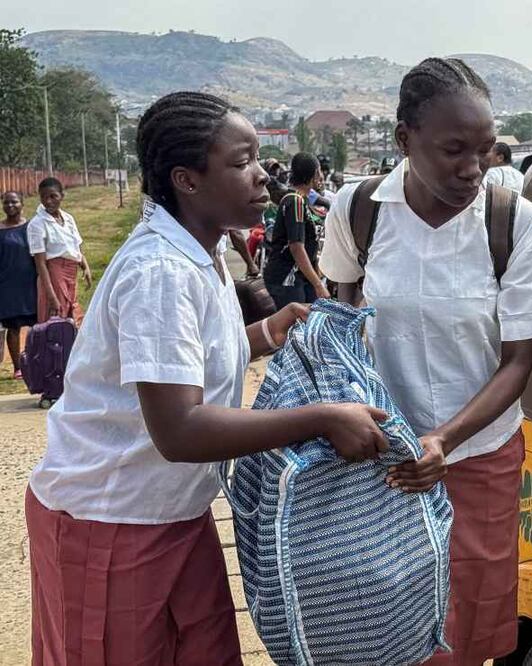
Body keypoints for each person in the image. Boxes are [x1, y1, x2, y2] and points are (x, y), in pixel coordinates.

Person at [24, 91, 389, 665]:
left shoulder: (204, 252)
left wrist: (268, 333)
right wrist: (320, 419)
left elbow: (186, 366)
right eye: (241, 163)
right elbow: (180, 428)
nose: (262, 178)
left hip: (176, 515)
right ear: (187, 181)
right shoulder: (162, 272)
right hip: (111, 521)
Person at [321, 58, 532, 665]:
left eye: (485, 150)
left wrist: (443, 440)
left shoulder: (515, 224)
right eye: (454, 150)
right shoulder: (360, 212)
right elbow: (340, 317)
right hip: (378, 464)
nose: (473, 169)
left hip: (479, 460)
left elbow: (517, 362)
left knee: (465, 629)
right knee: (382, 618)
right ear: (405, 139)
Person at [263, 152, 329, 309]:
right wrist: (318, 285)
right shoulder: (295, 201)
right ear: (313, 174)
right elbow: (296, 247)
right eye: (319, 171)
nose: (321, 177)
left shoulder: (301, 200)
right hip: (287, 279)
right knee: (295, 328)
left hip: (300, 277)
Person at [27, 178, 92, 323]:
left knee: (71, 318)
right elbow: (41, 264)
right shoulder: (37, 224)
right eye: (43, 197)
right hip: (53, 276)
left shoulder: (68, 218)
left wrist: (85, 267)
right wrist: (52, 297)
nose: (48, 201)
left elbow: (76, 246)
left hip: (70, 273)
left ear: (62, 196)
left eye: (53, 196)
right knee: (55, 320)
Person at [0, 191, 37, 378]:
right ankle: (18, 368)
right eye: (6, 202)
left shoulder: (32, 227)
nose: (10, 205)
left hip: (30, 284)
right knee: (12, 328)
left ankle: (36, 361)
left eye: (14, 202)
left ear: (22, 203)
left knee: (35, 326)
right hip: (7, 286)